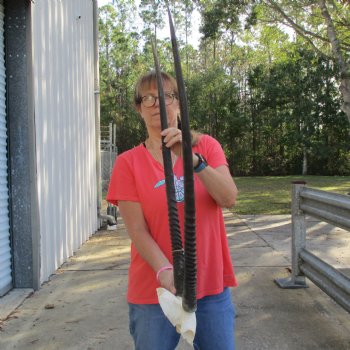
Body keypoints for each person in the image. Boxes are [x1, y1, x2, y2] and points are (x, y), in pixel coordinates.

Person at [106, 71, 238, 350]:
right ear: (139, 108)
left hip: (209, 286)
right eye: (149, 98)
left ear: (178, 103)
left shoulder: (207, 146)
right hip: (154, 290)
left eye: (166, 96)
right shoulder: (127, 163)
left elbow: (228, 198)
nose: (158, 104)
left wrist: (191, 159)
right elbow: (137, 230)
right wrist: (164, 268)